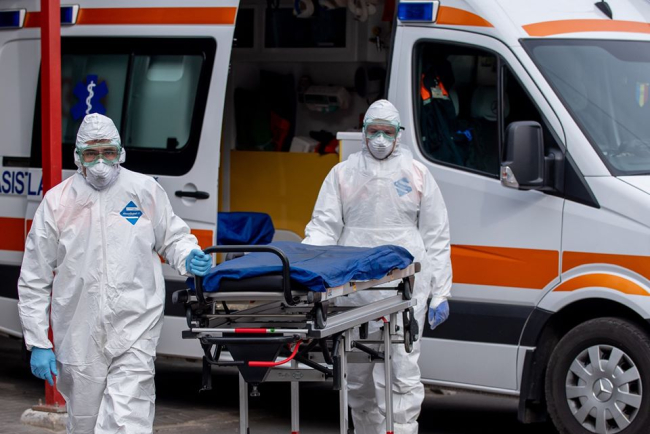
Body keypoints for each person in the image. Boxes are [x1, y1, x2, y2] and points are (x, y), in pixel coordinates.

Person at [17, 113, 213, 434]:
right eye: (91, 154)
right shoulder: (58, 203)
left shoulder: (144, 190)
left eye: (108, 152)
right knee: (84, 423)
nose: (100, 162)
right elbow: (34, 276)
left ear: (120, 152)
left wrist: (188, 256)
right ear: (77, 157)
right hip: (78, 332)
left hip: (136, 324)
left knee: (128, 420)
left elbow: (172, 237)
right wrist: (38, 340)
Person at [303, 99, 452, 434]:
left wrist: (441, 291)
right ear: (363, 132)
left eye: (387, 132)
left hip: (404, 288)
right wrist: (309, 274)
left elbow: (436, 235)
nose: (380, 139)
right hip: (353, 289)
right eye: (374, 131)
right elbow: (323, 227)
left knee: (401, 373)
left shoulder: (417, 174)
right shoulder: (343, 173)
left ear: (399, 134)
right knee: (357, 375)